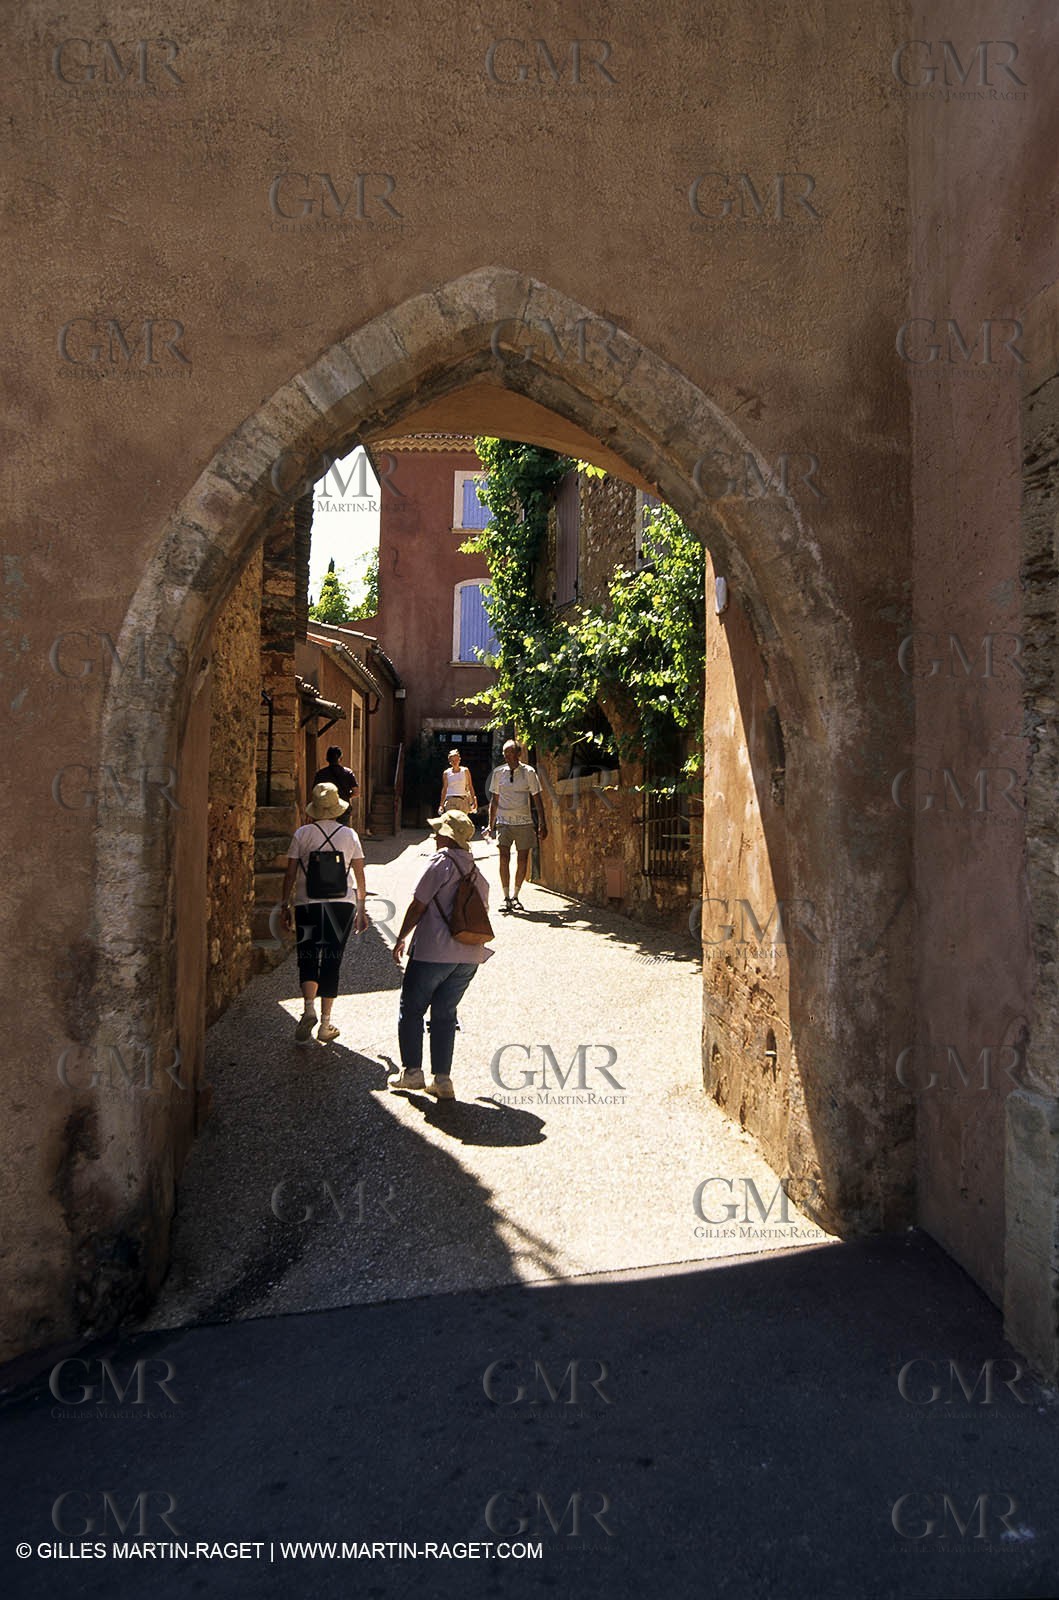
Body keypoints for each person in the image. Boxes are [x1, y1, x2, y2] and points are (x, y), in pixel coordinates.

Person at [389, 809, 492, 1100]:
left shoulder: (440, 863)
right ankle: (443, 1080)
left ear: (448, 837)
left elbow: (418, 904)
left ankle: (412, 1072)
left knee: (412, 1009)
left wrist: (401, 937)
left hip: (433, 952)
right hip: (468, 956)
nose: (435, 836)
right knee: (445, 1014)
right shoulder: (476, 871)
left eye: (438, 832)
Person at [280, 782, 368, 1045]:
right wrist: (361, 908)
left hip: (307, 903)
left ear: (315, 808)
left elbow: (290, 873)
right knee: (332, 959)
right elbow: (360, 875)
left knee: (307, 955)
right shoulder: (350, 835)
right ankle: (326, 1025)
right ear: (337, 808)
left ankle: (308, 1009)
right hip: (341, 905)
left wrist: (285, 904)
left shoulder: (302, 834)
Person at [487, 739, 548, 912]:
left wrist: (542, 822)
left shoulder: (529, 772)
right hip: (504, 822)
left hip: (524, 822)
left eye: (511, 752)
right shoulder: (498, 773)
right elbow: (495, 800)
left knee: (522, 859)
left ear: (519, 754)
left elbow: (537, 798)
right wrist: (491, 824)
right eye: (505, 753)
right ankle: (506, 897)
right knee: (504, 857)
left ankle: (515, 896)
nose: (507, 756)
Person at [312, 745, 359, 824]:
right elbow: (356, 792)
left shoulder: (321, 774)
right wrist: (347, 795)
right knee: (342, 830)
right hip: (343, 810)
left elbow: (314, 792)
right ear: (340, 758)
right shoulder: (348, 773)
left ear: (327, 758)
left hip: (324, 811)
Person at [438, 747, 478, 816]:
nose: (455, 762)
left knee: (462, 821)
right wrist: (441, 805)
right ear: (450, 762)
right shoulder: (446, 773)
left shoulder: (465, 771)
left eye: (456, 760)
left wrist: (473, 800)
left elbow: (470, 786)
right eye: (452, 760)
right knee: (452, 820)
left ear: (459, 760)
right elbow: (444, 789)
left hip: (463, 800)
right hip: (450, 800)